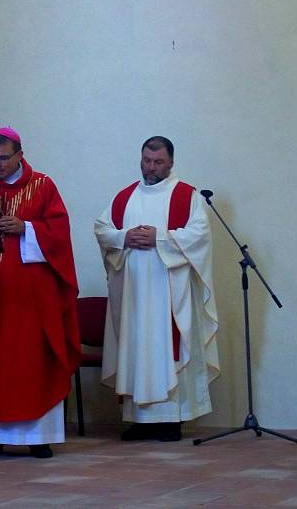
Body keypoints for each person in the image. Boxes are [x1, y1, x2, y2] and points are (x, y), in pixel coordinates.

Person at [0, 126, 81, 459]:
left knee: (30, 363)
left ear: (20, 155)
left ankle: (39, 437)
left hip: (29, 299)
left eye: (3, 159)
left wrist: (26, 228)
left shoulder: (43, 186)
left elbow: (60, 233)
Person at [94, 136, 219, 442]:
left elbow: (199, 235)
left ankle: (172, 419)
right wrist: (125, 238)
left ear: (171, 162)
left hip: (170, 291)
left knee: (167, 347)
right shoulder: (124, 197)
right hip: (134, 292)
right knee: (137, 348)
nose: (151, 167)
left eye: (158, 162)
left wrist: (158, 239)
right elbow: (102, 229)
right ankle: (139, 420)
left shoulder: (186, 196)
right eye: (146, 161)